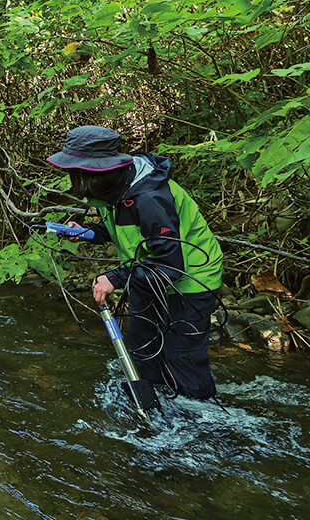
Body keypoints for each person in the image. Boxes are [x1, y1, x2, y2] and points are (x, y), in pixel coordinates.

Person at [47, 125, 223, 400]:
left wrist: (114, 278)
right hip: (145, 274)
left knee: (181, 356)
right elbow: (122, 230)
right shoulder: (114, 190)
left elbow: (169, 265)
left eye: (78, 174)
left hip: (190, 279)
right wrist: (86, 232)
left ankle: (198, 421)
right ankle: (157, 404)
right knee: (143, 344)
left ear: (101, 170)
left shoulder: (150, 197)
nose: (76, 182)